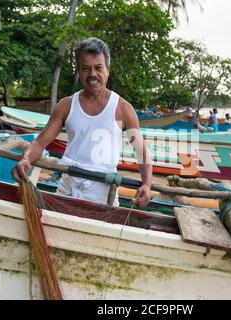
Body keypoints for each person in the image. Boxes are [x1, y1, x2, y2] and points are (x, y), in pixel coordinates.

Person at [12, 37, 151, 208]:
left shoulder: (123, 109)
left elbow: (141, 152)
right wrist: (26, 159)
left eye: (98, 67)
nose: (92, 74)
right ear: (78, 70)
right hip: (68, 190)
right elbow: (40, 142)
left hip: (105, 196)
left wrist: (147, 184)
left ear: (108, 68)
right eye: (85, 68)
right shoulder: (66, 106)